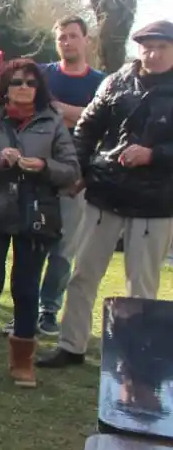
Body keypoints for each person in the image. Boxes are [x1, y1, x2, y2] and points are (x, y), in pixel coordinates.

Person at [39, 20, 173, 369]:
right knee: (83, 274)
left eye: (162, 47)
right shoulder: (116, 83)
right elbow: (86, 129)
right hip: (105, 191)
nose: (153, 53)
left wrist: (154, 155)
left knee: (141, 285)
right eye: (147, 46)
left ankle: (133, 360)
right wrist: (80, 170)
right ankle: (71, 346)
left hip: (155, 203)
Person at [0, 60, 78, 388]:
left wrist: (43, 165)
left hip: (36, 213)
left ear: (39, 89)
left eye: (30, 82)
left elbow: (71, 170)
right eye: (17, 81)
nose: (24, 87)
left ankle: (22, 361)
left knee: (26, 287)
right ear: (5, 86)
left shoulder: (52, 120)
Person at [21, 15, 107, 336]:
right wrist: (80, 115)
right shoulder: (41, 75)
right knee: (31, 243)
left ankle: (48, 310)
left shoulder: (101, 82)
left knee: (63, 249)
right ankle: (24, 310)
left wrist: (61, 110)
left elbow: (102, 123)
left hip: (76, 177)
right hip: (36, 171)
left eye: (73, 36)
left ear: (86, 40)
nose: (67, 42)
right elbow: (29, 111)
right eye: (62, 38)